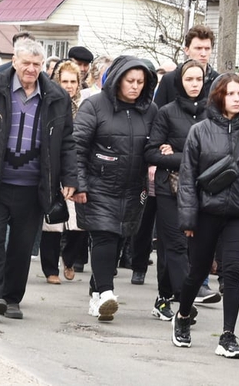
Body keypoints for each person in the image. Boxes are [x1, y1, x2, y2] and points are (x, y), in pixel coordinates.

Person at [0, 37, 78, 322]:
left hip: (33, 186)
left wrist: (70, 177)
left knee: (22, 246)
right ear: (14, 61)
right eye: (26, 63)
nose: (31, 69)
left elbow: (67, 141)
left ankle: (11, 298)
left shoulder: (57, 97)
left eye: (37, 65)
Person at [171, 73, 239, 359]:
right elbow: (187, 178)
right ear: (219, 97)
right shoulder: (200, 131)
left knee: (232, 272)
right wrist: (188, 219)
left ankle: (228, 335)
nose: (236, 99)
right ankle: (183, 315)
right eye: (231, 94)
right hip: (207, 212)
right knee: (197, 271)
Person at [72, 56, 158, 322]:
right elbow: (77, 147)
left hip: (133, 189)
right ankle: (107, 293)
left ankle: (97, 294)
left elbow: (154, 145)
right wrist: (78, 183)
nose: (135, 87)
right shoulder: (94, 106)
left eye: (140, 82)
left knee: (118, 239)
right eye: (130, 81)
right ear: (117, 79)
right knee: (104, 238)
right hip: (99, 186)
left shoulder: (150, 110)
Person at [143, 59, 207, 324]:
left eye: (199, 79)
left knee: (186, 247)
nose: (194, 84)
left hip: (200, 189)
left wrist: (179, 154)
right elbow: (152, 152)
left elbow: (216, 155)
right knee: (174, 243)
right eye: (189, 79)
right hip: (168, 187)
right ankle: (184, 301)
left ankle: (164, 297)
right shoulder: (166, 112)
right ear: (180, 81)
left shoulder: (211, 113)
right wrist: (186, 158)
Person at [39, 60, 83, 285]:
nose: (68, 86)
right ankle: (50, 269)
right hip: (54, 167)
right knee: (53, 221)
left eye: (73, 81)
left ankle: (69, 259)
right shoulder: (51, 102)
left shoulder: (86, 106)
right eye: (64, 81)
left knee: (77, 222)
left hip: (79, 168)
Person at [154, 25, 218, 107]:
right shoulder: (169, 80)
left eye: (207, 48)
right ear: (186, 50)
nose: (203, 54)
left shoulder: (219, 82)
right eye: (198, 48)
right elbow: (158, 115)